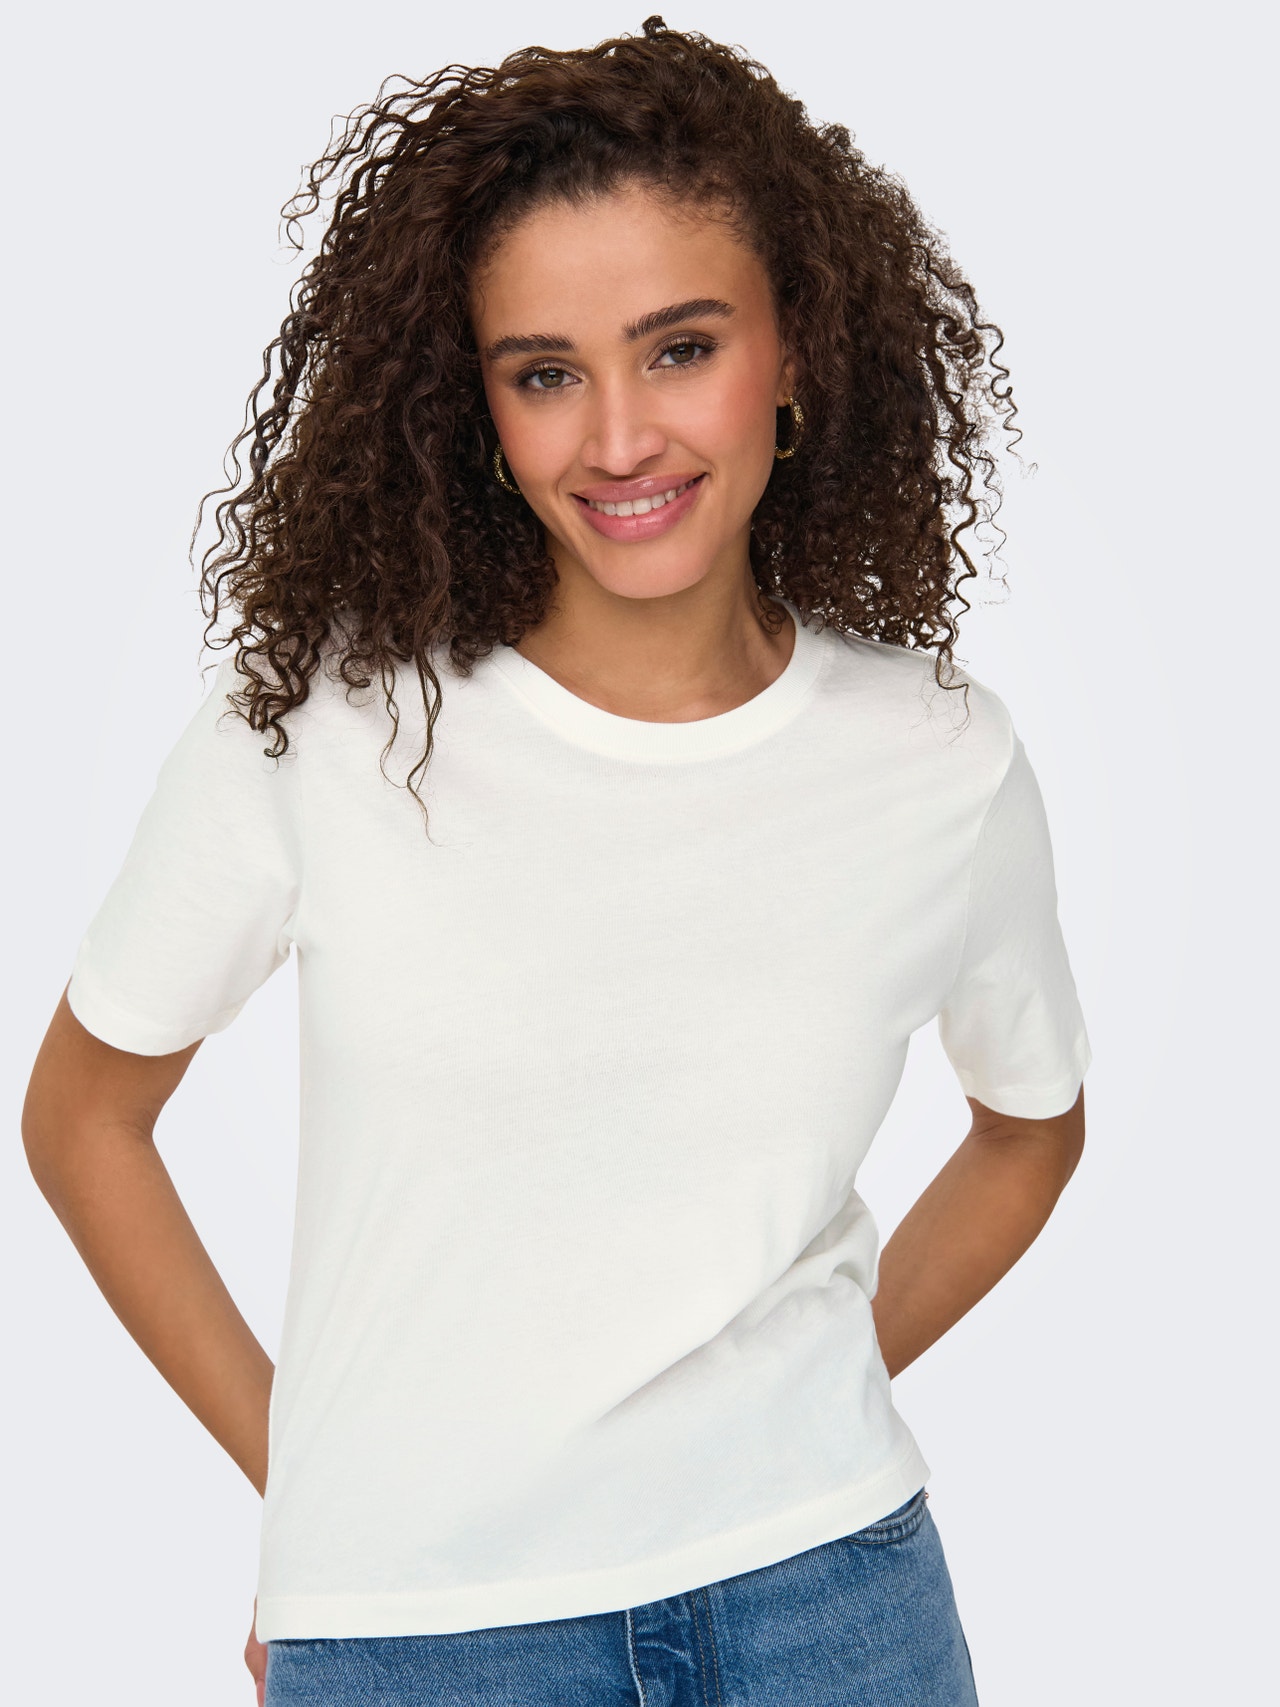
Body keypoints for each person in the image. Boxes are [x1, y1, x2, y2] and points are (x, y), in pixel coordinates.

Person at [21, 17, 1091, 1706]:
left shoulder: (936, 757)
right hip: (427, 1637)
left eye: (681, 349)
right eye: (544, 374)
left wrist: (794, 1396)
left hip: (834, 1606)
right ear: (477, 404)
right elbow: (84, 1118)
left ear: (797, 348)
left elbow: (1031, 1130)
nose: (618, 440)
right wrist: (313, 1489)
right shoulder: (328, 730)